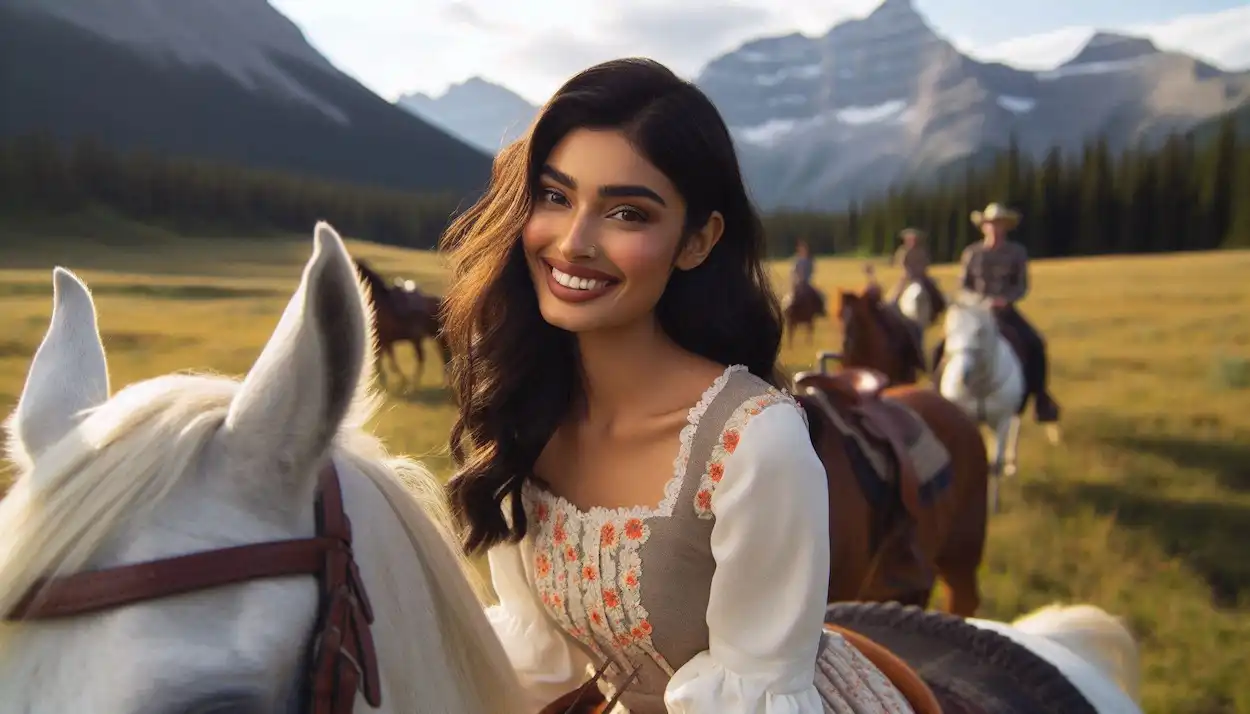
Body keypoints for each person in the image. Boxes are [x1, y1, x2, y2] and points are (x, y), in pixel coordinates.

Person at [438, 58, 914, 714]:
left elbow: (756, 691)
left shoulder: (753, 445)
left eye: (627, 213)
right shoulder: (520, 410)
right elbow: (537, 661)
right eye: (555, 196)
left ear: (696, 242)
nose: (573, 242)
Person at [931, 203, 1060, 423]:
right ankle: (935, 395)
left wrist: (1006, 300)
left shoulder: (1017, 252)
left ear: (1006, 227)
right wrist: (976, 302)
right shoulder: (972, 253)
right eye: (991, 223)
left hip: (1005, 312)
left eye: (999, 224)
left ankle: (1041, 398)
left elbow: (1021, 285)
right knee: (941, 347)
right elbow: (963, 285)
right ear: (984, 227)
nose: (994, 227)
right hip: (975, 314)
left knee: (1035, 342)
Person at [889, 228, 947, 322]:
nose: (912, 241)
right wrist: (909, 272)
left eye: (913, 239)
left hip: (922, 276)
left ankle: (938, 308)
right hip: (908, 276)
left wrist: (921, 272)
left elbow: (926, 263)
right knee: (897, 292)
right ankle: (892, 306)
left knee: (934, 289)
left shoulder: (922, 251)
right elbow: (902, 264)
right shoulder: (903, 251)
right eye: (909, 239)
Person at [790, 239, 826, 315]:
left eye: (804, 248)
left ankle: (820, 310)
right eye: (801, 248)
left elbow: (811, 271)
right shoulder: (796, 260)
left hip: (807, 283)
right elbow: (793, 272)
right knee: (790, 299)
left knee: (821, 295)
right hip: (798, 284)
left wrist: (806, 278)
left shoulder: (810, 260)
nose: (802, 249)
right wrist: (797, 280)